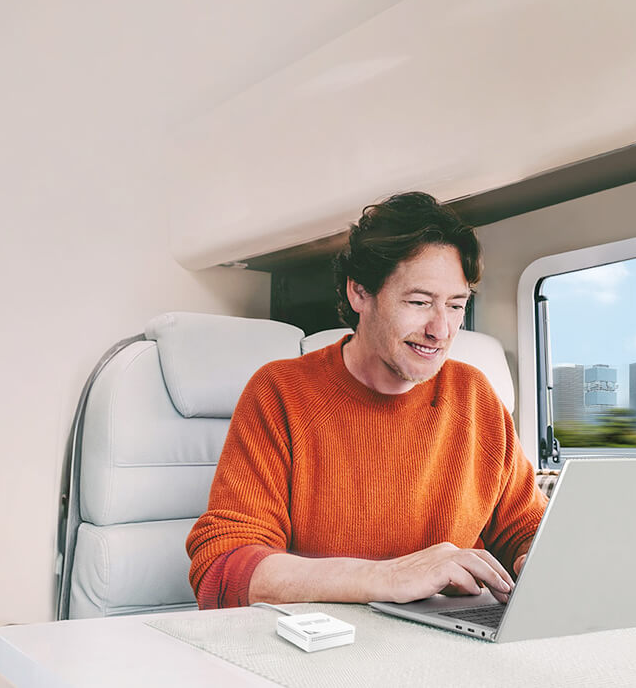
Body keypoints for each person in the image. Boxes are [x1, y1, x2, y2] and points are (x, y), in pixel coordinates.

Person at [186, 192, 547, 610]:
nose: (441, 329)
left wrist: (539, 558)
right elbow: (223, 569)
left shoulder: (475, 396)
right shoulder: (280, 393)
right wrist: (387, 577)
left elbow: (526, 530)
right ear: (360, 293)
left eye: (456, 305)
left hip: (447, 647)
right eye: (419, 302)